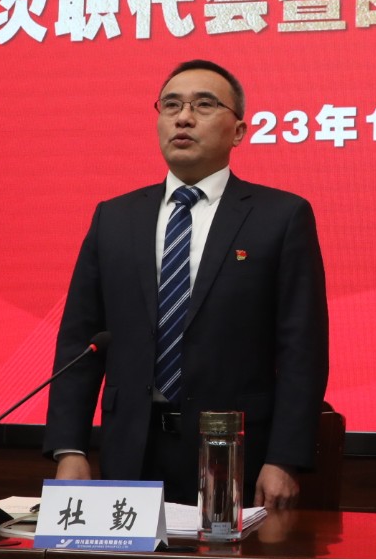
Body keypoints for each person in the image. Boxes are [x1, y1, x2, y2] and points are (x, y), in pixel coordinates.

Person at [43, 60, 329, 508]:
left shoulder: (280, 217)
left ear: (238, 131)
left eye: (204, 105)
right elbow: (81, 341)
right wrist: (69, 448)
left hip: (234, 452)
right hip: (129, 449)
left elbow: (302, 349)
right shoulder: (114, 218)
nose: (184, 118)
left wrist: (285, 458)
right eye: (171, 105)